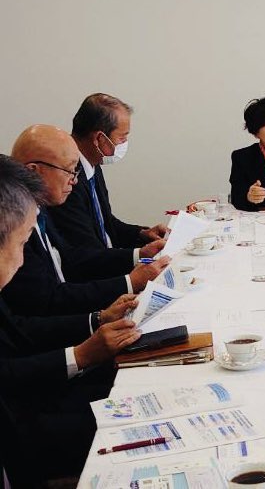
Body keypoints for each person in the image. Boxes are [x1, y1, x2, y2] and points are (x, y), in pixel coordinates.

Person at [0, 155, 141, 484]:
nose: (21, 260)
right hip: (23, 420)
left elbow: (17, 333)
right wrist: (80, 355)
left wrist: (96, 322)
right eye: (21, 243)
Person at [4, 125, 169, 317]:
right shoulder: (12, 224)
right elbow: (44, 302)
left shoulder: (42, 207)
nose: (74, 180)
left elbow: (72, 259)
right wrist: (125, 287)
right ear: (34, 171)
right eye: (69, 171)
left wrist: (138, 256)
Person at [50, 93, 169, 249]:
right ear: (99, 139)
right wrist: (139, 255)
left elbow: (107, 224)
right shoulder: (68, 180)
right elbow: (86, 253)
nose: (125, 143)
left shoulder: (92, 164)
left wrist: (142, 234)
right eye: (122, 137)